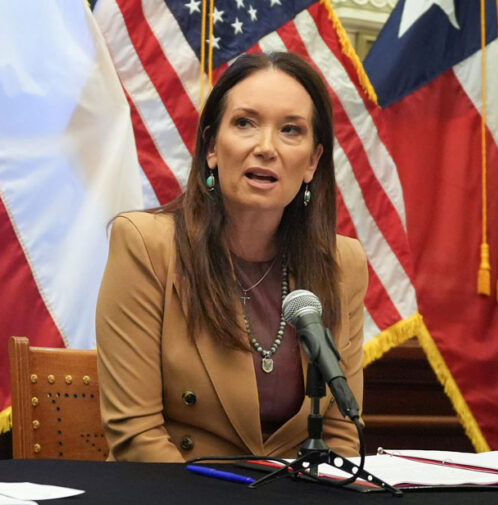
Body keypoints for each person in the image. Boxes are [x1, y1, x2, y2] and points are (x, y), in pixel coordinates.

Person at [95, 52, 367, 462]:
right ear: (211, 147)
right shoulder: (145, 245)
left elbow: (340, 435)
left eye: (290, 130)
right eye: (245, 123)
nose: (266, 147)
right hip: (177, 503)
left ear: (312, 162)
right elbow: (137, 436)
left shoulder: (343, 262)